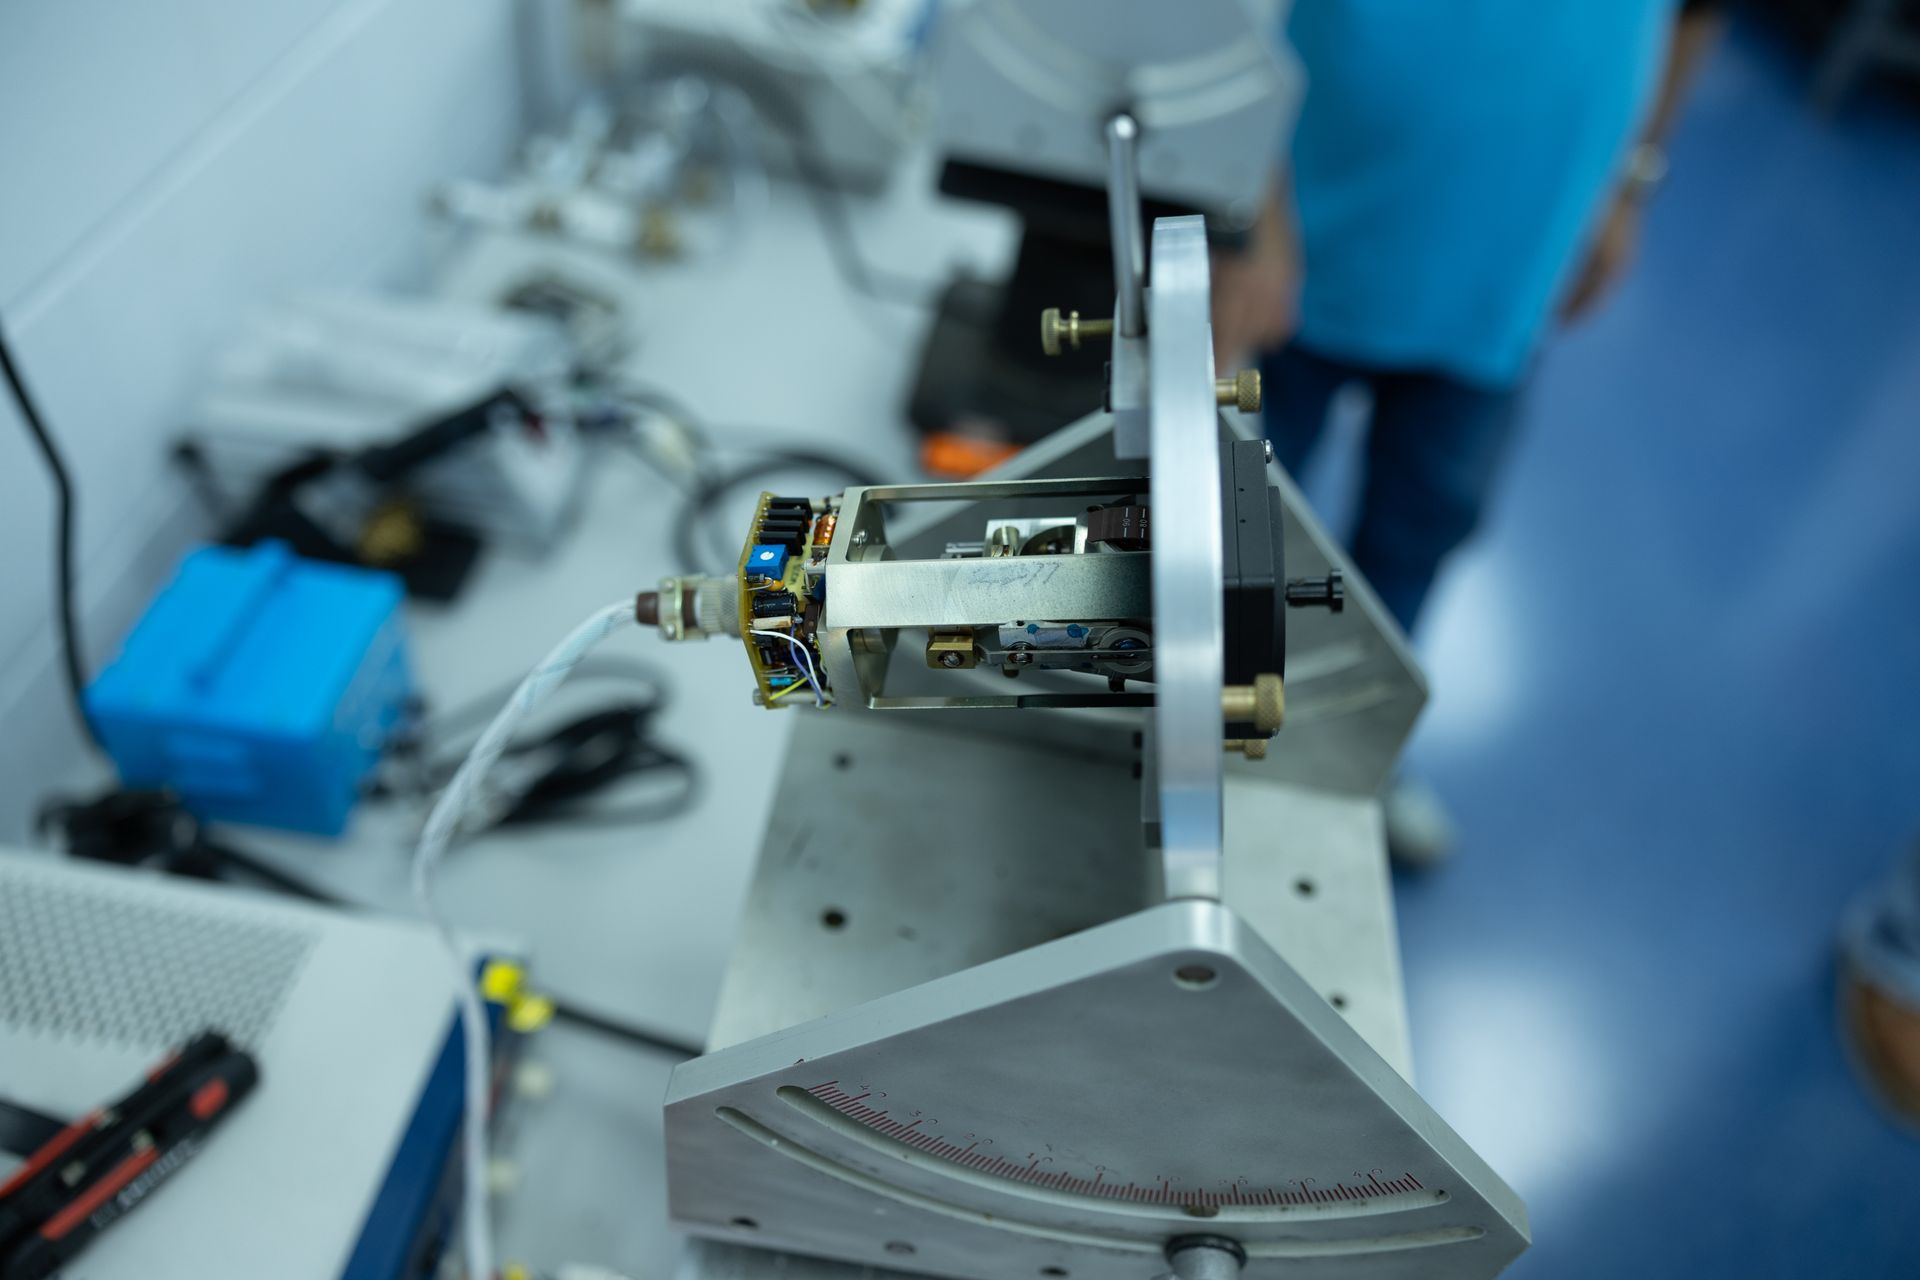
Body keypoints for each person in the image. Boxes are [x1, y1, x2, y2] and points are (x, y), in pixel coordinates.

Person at [1211, 0, 1726, 863]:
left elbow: (1696, 14)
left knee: (1422, 527)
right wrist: (1247, 208)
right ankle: (1204, 726)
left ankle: (1357, 746)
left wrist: (1630, 181)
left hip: (1507, 264)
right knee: (1242, 516)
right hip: (1304, 237)